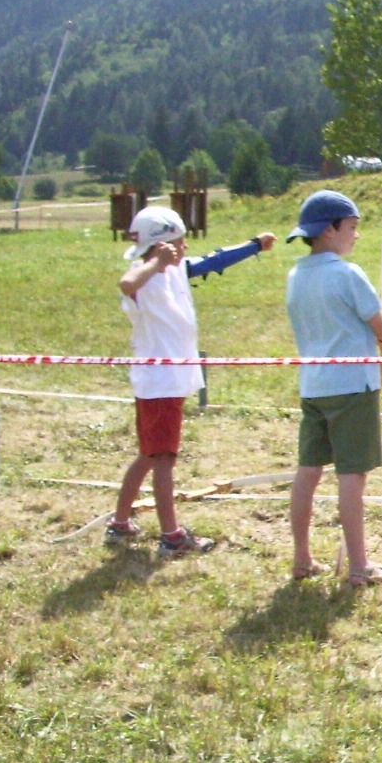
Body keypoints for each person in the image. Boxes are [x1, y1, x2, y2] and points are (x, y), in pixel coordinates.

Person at [108, 205, 275, 556]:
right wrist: (156, 262)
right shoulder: (145, 273)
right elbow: (127, 283)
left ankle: (120, 524)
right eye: (179, 241)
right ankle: (172, 536)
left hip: (166, 380)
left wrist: (254, 246)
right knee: (164, 458)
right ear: (163, 243)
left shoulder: (176, 270)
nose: (185, 247)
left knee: (149, 455)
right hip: (160, 383)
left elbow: (212, 262)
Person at [284, 190, 382, 587]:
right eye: (351, 227)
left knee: (308, 471)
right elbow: (381, 328)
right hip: (353, 386)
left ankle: (301, 558)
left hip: (314, 385)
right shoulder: (347, 274)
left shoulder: (296, 275)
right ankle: (359, 565)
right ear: (330, 229)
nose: (355, 236)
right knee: (352, 476)